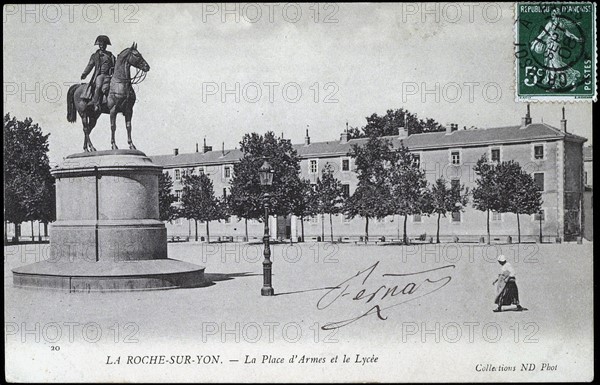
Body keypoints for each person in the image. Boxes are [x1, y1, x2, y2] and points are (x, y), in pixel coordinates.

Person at [81, 35, 115, 111]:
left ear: (106, 45)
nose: (102, 46)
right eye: (101, 45)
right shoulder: (95, 56)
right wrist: (85, 74)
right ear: (99, 45)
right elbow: (90, 65)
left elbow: (115, 65)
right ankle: (96, 104)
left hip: (109, 76)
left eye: (104, 45)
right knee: (98, 86)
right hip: (99, 76)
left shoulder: (110, 55)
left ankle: (110, 103)